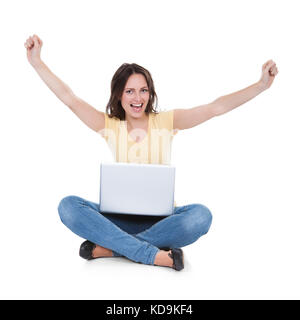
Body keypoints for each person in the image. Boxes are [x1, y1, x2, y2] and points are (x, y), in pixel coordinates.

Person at [24, 34, 278, 271]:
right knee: (68, 206)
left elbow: (215, 108)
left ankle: (110, 250)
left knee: (200, 216)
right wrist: (37, 62)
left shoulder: (167, 121)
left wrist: (261, 85)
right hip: (116, 219)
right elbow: (70, 99)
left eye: (143, 90)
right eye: (130, 91)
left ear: (150, 93)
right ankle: (154, 255)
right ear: (119, 95)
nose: (138, 97)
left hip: (162, 221)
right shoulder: (110, 126)